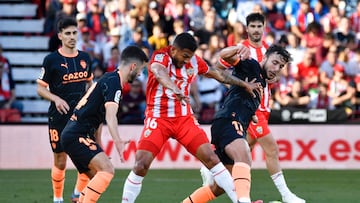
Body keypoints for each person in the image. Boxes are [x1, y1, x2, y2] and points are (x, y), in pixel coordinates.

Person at [121, 32, 262, 203]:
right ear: (173, 50)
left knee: (211, 159)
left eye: (190, 57)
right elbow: (159, 72)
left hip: (183, 119)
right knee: (141, 165)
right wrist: (174, 88)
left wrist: (244, 84)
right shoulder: (160, 56)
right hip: (158, 119)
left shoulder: (194, 61)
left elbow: (219, 74)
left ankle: (239, 200)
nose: (187, 61)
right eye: (185, 56)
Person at [200, 13, 306, 203]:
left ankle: (213, 165)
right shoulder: (243, 50)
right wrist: (238, 87)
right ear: (247, 29)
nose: (256, 30)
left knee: (239, 153)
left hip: (258, 109)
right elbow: (218, 68)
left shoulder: (269, 52)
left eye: (260, 26)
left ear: (264, 28)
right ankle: (286, 195)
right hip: (250, 109)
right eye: (253, 26)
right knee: (270, 149)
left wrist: (271, 80)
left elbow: (268, 80)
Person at [186, 44, 291, 203]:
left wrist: (252, 116)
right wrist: (238, 48)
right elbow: (224, 55)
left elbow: (242, 100)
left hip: (229, 123)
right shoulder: (252, 65)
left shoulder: (261, 84)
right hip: (229, 120)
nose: (276, 68)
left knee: (219, 188)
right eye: (274, 62)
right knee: (244, 156)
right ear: (264, 58)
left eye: (281, 66)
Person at [61, 45, 149, 203]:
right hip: (78, 135)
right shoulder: (114, 83)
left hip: (73, 133)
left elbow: (98, 117)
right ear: (133, 66)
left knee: (96, 178)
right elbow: (110, 115)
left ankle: (80, 200)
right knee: (107, 170)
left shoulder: (109, 78)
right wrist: (118, 141)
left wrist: (98, 144)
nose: (140, 75)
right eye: (141, 70)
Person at [37, 17, 94, 203]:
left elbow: (90, 85)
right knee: (60, 161)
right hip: (58, 118)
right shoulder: (51, 60)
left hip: (80, 118)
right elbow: (40, 88)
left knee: (85, 161)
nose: (71, 37)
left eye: (74, 33)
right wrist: (56, 98)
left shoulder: (85, 58)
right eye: (67, 33)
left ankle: (77, 195)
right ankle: (57, 198)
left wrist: (91, 103)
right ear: (60, 35)